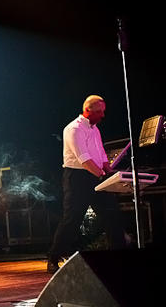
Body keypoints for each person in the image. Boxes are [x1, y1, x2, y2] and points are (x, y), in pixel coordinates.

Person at [46, 95, 126, 273]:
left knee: (112, 216)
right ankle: (53, 257)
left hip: (96, 174)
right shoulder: (73, 129)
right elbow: (84, 159)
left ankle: (121, 257)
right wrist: (102, 175)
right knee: (72, 219)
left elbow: (101, 153)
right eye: (99, 112)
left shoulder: (95, 129)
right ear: (87, 110)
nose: (102, 115)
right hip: (77, 178)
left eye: (103, 112)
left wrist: (107, 168)